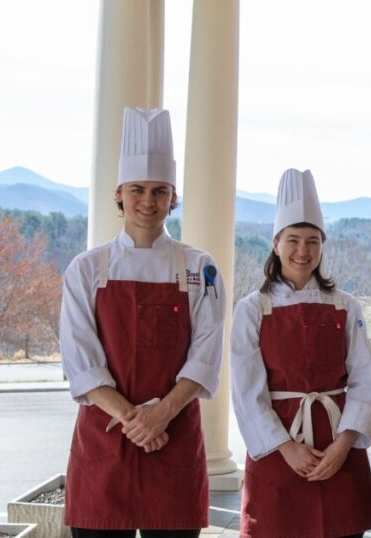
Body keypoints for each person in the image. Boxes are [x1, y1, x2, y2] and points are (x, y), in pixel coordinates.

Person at [59, 106, 225, 538]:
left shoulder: (198, 267)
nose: (148, 202)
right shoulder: (87, 268)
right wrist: (136, 421)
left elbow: (206, 354)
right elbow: (81, 360)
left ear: (173, 197)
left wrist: (162, 414)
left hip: (174, 439)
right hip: (105, 440)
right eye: (137, 189)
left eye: (159, 190)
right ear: (118, 194)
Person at [230, 168, 371, 538]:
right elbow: (248, 393)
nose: (303, 251)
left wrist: (344, 445)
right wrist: (286, 448)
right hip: (278, 453)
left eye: (312, 241)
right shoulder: (253, 309)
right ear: (276, 243)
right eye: (293, 240)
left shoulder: (345, 306)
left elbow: (366, 381)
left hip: (338, 450)